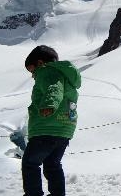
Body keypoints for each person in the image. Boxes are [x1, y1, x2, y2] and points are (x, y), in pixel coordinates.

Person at [22, 45, 81, 196]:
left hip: (46, 128)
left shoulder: (47, 71)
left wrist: (49, 104)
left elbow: (55, 88)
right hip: (64, 130)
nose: (32, 75)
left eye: (32, 70)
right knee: (52, 165)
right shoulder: (66, 76)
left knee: (30, 163)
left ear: (40, 63)